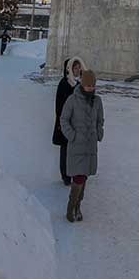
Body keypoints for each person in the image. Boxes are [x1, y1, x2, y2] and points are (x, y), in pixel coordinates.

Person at [59, 68, 104, 223]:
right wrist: (72, 136)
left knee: (83, 178)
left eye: (93, 85)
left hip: (90, 147)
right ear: (83, 84)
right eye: (88, 85)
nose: (91, 88)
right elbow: (64, 119)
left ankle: (78, 206)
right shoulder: (72, 100)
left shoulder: (97, 101)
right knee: (78, 179)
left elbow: (100, 120)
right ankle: (71, 208)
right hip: (77, 146)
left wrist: (99, 133)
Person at [52, 56, 84, 185]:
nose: (77, 70)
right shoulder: (64, 83)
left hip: (77, 122)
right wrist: (62, 122)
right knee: (65, 149)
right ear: (69, 69)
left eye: (78, 68)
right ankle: (65, 176)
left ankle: (74, 173)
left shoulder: (78, 83)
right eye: (75, 68)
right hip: (65, 122)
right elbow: (59, 105)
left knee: (74, 150)